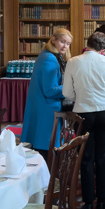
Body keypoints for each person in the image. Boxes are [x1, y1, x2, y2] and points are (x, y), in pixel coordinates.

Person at [63, 31, 105, 209]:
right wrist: (103, 96)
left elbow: (67, 93)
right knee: (103, 157)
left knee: (86, 158)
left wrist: (81, 97)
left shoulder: (73, 62)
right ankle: (102, 202)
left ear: (87, 45)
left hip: (83, 113)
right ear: (103, 49)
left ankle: (88, 203)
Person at [21, 28, 73, 159]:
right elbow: (50, 90)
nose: (65, 46)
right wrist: (71, 87)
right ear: (53, 40)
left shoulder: (45, 54)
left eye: (68, 44)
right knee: (47, 154)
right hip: (47, 110)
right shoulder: (50, 59)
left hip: (41, 106)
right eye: (62, 42)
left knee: (40, 151)